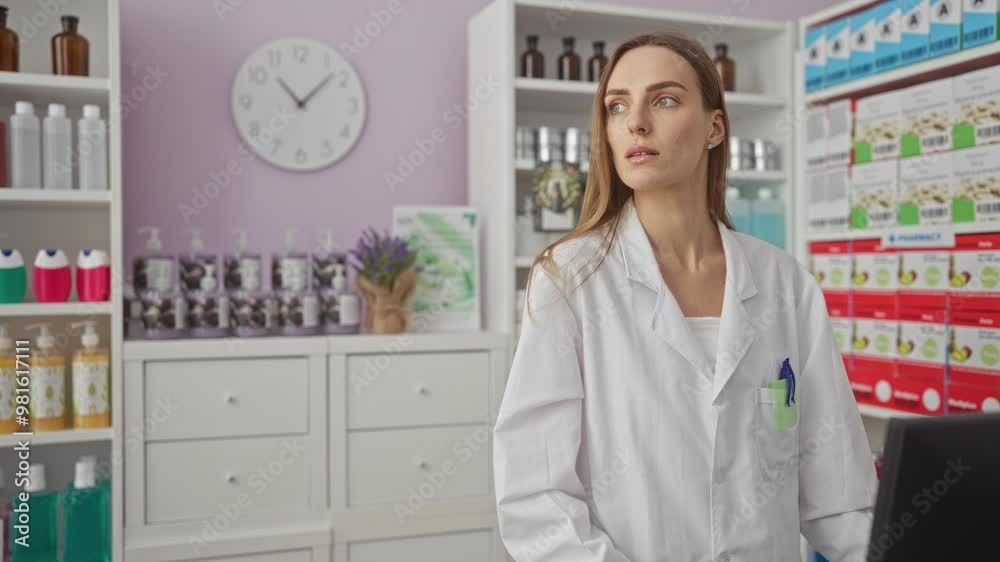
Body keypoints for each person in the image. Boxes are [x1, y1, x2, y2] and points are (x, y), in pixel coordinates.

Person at [492, 31, 877, 562]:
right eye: (617, 106)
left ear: (715, 128)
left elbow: (839, 494)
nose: (636, 122)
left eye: (665, 100)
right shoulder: (570, 280)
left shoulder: (785, 284)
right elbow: (537, 497)